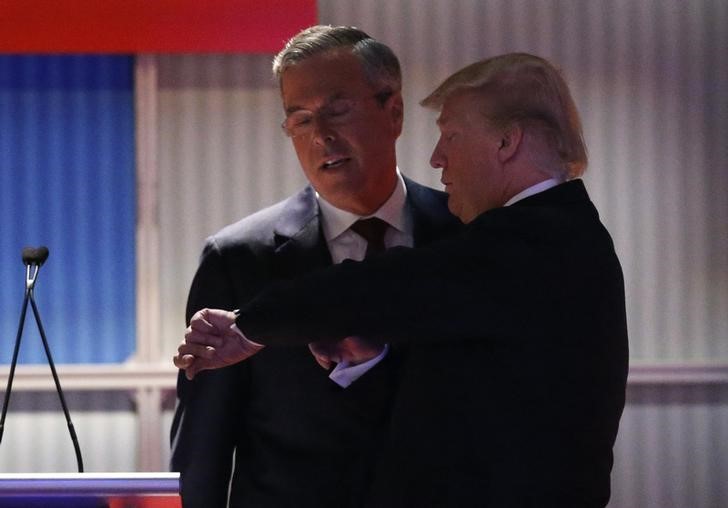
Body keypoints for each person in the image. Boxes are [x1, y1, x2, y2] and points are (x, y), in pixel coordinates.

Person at [176, 53, 629, 507]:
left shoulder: (531, 241)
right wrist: (368, 359)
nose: (436, 157)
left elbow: (374, 289)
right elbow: (473, 392)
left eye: (450, 135)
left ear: (507, 141)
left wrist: (248, 326)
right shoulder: (552, 238)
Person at [169, 25, 459, 508]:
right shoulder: (240, 258)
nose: (321, 135)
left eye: (337, 110)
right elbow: (204, 446)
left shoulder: (464, 237)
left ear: (395, 111)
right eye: (299, 120)